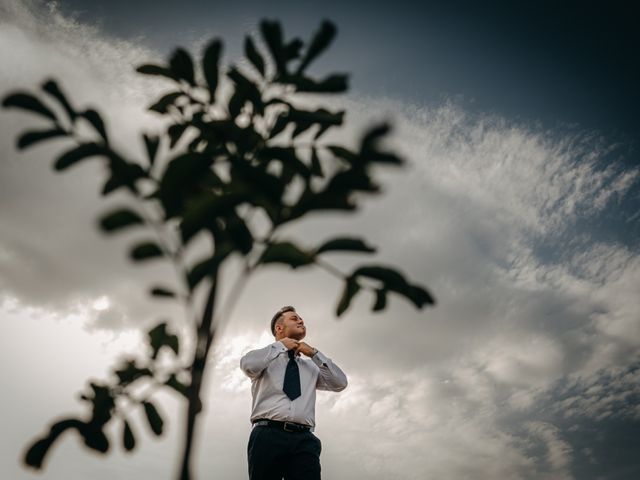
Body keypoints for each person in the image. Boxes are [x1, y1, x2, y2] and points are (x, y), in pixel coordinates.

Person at [240, 305, 348, 480]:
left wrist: (314, 353)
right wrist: (280, 346)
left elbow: (340, 383)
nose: (301, 321)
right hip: (268, 436)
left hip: (304, 439)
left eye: (302, 319)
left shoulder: (311, 367)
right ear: (279, 328)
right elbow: (248, 365)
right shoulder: (264, 360)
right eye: (294, 318)